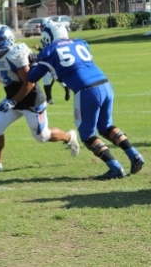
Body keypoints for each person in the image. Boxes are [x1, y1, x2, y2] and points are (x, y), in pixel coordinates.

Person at [27, 21, 144, 179]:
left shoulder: (49, 50)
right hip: (105, 84)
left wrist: (34, 62)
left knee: (87, 136)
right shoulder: (80, 43)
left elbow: (32, 77)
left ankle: (115, 167)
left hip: (86, 90)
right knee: (106, 127)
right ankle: (135, 155)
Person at [0, 24, 79, 173]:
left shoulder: (16, 55)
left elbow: (29, 82)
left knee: (42, 137)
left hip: (31, 101)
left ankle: (69, 137)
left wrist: (13, 101)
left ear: (9, 39)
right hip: (13, 100)